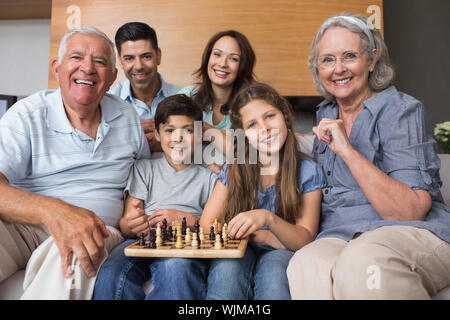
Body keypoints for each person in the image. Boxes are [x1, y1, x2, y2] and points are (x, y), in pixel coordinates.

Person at [287, 13, 450, 299]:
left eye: (349, 56)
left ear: (372, 59)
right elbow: (302, 145)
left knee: (363, 259)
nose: (338, 69)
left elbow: (410, 210)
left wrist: (348, 151)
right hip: (340, 233)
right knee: (305, 263)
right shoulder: (326, 113)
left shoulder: (401, 111)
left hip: (408, 231)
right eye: (327, 60)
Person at [0, 26, 150, 299]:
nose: (88, 68)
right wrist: (53, 210)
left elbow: (146, 180)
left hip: (99, 227)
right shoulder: (27, 114)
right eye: (77, 57)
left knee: (76, 243)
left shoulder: (128, 117)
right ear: (57, 68)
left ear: (113, 76)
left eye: (100, 62)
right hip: (26, 225)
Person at [199, 82, 325, 299]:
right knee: (227, 274)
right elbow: (206, 224)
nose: (265, 128)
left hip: (280, 252)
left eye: (270, 116)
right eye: (252, 125)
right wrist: (263, 236)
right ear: (244, 135)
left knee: (274, 278)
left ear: (285, 116)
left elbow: (303, 239)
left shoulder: (308, 171)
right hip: (242, 245)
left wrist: (267, 219)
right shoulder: (235, 169)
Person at [92, 94, 218, 300]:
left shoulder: (209, 178)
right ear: (157, 135)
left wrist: (186, 220)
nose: (178, 138)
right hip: (143, 240)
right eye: (169, 130)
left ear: (198, 134)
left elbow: (215, 226)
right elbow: (126, 223)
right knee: (111, 275)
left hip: (184, 243)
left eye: (187, 130)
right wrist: (132, 225)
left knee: (176, 268)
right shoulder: (144, 169)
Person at [178, 30, 256, 172]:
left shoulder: (251, 105)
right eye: (217, 54)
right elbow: (168, 140)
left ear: (243, 66)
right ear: (208, 58)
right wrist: (225, 138)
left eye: (233, 59)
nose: (222, 63)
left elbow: (247, 154)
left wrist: (204, 128)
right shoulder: (187, 96)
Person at [111, 22, 180, 153]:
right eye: (129, 58)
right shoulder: (107, 103)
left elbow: (199, 148)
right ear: (120, 61)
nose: (138, 66)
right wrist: (132, 131)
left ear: (158, 56)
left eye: (146, 56)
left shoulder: (184, 97)